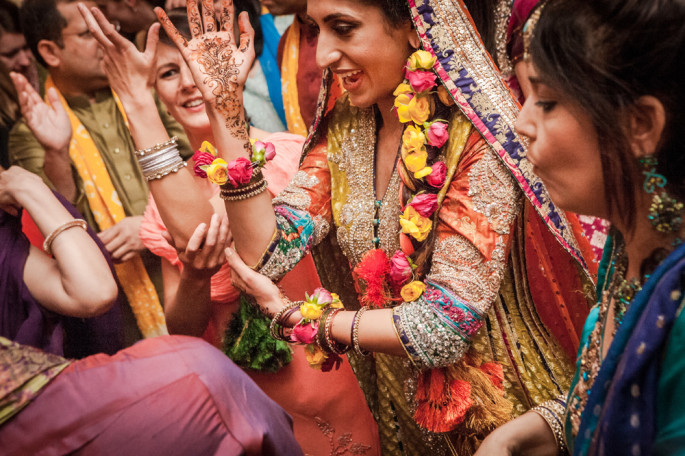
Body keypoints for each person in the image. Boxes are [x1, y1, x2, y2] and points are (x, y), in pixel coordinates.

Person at [156, 0, 598, 453]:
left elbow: (443, 327)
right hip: (403, 423)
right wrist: (226, 110)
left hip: (510, 422)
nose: (324, 53)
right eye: (316, 29)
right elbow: (269, 252)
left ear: (412, 27)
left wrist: (301, 319)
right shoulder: (348, 127)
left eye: (343, 28)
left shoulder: (473, 138)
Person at [75, 4, 381, 454]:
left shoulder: (295, 156)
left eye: (196, 67)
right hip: (245, 396)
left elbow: (272, 253)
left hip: (331, 374)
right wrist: (196, 277)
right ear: (153, 89)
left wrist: (195, 106)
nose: (187, 83)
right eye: (167, 73)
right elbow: (180, 327)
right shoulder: (164, 207)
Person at [475, 0, 685, 455]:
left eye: (546, 102)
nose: (521, 123)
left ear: (641, 123)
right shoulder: (627, 246)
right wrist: (522, 433)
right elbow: (598, 393)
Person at [0, 166, 301, 456]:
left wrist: (29, 186)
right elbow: (181, 327)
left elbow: (94, 291)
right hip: (37, 413)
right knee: (204, 372)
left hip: (290, 346)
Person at [9, 0, 193, 345]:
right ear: (50, 51)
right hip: (119, 316)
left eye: (109, 27)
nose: (108, 39)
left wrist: (152, 228)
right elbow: (54, 228)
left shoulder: (147, 95)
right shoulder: (30, 132)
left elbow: (201, 164)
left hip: (192, 279)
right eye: (90, 33)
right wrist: (56, 152)